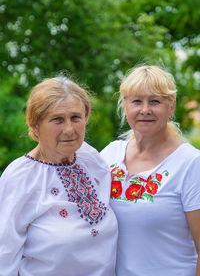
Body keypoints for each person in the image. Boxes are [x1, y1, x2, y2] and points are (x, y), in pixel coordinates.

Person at [0, 76, 118, 276]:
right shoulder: (20, 177)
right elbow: (4, 254)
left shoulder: (92, 161)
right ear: (35, 125)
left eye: (76, 118)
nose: (69, 129)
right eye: (57, 120)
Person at [100, 65, 200, 276]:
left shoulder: (191, 164)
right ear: (125, 106)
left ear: (171, 107)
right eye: (136, 101)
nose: (145, 109)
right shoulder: (109, 156)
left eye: (155, 101)